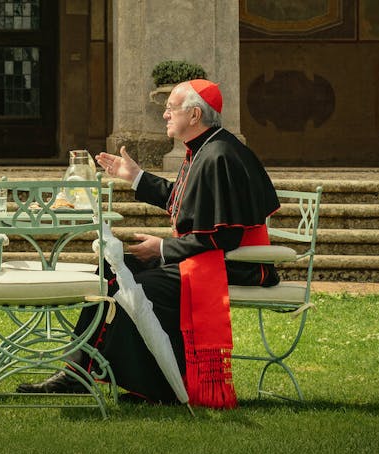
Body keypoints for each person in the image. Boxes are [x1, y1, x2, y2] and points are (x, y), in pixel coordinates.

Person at [17, 79, 280, 408]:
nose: (165, 115)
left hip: (234, 266)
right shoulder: (204, 148)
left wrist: (163, 250)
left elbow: (223, 237)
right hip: (206, 258)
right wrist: (136, 176)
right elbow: (184, 202)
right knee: (110, 270)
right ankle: (76, 372)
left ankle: (157, 389)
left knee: (137, 287)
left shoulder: (219, 155)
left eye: (171, 108)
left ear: (195, 115)